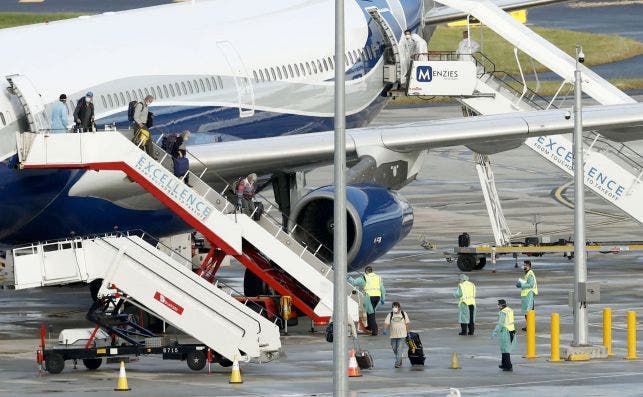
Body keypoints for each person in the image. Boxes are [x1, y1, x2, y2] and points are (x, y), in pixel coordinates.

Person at [348, 266, 386, 336]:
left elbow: (354, 282)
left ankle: (375, 330)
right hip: (377, 297)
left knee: (371, 313)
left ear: (366, 271)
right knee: (371, 312)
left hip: (369, 297)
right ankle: (369, 327)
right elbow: (382, 289)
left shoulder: (364, 277)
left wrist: (347, 277)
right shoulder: (378, 277)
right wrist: (383, 299)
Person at [383, 302, 410, 368]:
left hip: (402, 335)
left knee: (399, 349)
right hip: (393, 335)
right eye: (393, 307)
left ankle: (397, 363)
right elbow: (386, 323)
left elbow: (407, 324)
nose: (394, 308)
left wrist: (408, 332)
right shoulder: (390, 314)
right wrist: (385, 329)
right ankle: (399, 359)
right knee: (394, 348)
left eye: (395, 307)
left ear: (399, 307)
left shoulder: (404, 314)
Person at [492, 299, 516, 372]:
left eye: (498, 304)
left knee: (505, 349)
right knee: (504, 348)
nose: (498, 306)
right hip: (512, 330)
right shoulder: (509, 310)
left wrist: (495, 331)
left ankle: (508, 366)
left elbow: (500, 324)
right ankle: (504, 364)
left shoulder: (502, 312)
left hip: (506, 331)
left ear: (501, 305)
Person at [516, 260, 538, 331]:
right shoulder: (527, 273)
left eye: (526, 265)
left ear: (530, 266)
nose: (525, 266)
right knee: (526, 312)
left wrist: (522, 284)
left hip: (529, 295)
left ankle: (531, 326)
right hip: (525, 295)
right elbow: (526, 283)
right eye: (524, 265)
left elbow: (531, 285)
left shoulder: (530, 274)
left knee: (529, 311)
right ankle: (528, 325)